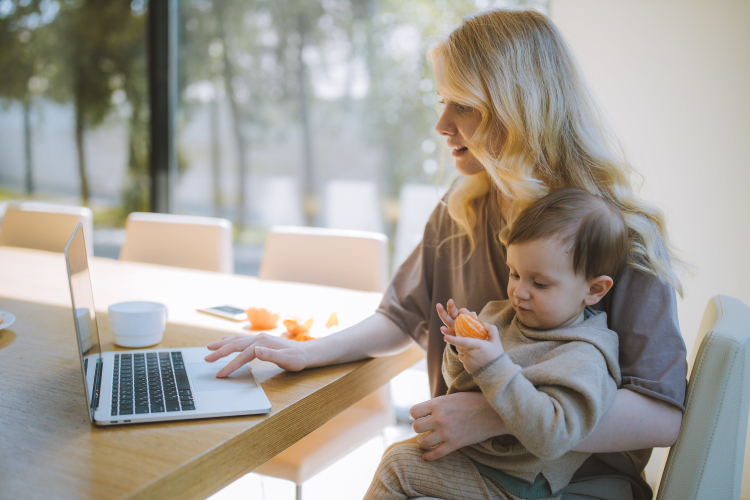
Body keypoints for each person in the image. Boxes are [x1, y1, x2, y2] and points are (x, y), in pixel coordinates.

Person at [205, 9, 687, 500]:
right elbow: (401, 315)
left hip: (575, 485)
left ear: (519, 108)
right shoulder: (462, 207)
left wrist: (495, 414)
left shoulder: (619, 234)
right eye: (441, 102)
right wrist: (308, 351)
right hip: (468, 470)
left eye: (463, 106)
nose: (441, 124)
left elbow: (662, 415)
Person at [364, 188, 628, 499]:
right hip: (478, 460)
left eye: (539, 283)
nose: (519, 292)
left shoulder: (585, 356)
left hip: (517, 484)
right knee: (399, 453)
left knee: (397, 465)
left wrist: (493, 365)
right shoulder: (502, 316)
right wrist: (461, 349)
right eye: (514, 273)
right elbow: (461, 385)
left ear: (594, 289)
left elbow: (553, 437)